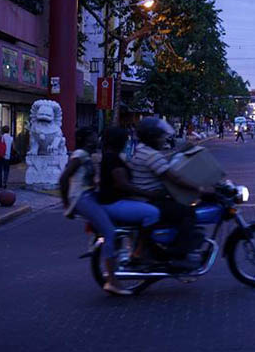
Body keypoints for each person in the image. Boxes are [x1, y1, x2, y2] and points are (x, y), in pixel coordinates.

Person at [60, 127, 128, 296]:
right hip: (82, 198)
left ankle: (99, 245)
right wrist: (67, 204)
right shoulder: (80, 155)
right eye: (93, 138)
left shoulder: (88, 156)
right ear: (86, 140)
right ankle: (112, 280)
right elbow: (63, 178)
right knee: (110, 232)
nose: (97, 140)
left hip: (90, 196)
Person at [128, 117, 202, 269]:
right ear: (152, 137)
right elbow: (173, 177)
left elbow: (168, 167)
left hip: (145, 197)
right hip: (150, 199)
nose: (163, 139)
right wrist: (198, 188)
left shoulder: (142, 149)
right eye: (160, 136)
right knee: (188, 213)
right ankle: (180, 255)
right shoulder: (151, 155)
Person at [97, 126, 160, 259]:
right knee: (153, 213)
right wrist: (148, 194)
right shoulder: (112, 158)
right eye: (124, 140)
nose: (126, 143)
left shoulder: (111, 156)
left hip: (114, 201)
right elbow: (123, 184)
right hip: (114, 203)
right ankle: (139, 250)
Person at [0, 125, 14, 189]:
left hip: (0, 155)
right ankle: (5, 182)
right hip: (7, 156)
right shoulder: (11, 138)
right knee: (6, 170)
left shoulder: (1, 137)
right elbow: (12, 148)